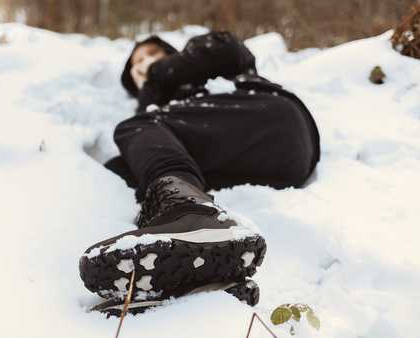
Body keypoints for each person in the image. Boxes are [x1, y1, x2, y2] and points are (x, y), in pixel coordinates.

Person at [78, 31, 320, 313]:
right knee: (126, 166)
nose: (145, 62)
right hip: (272, 167)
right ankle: (205, 281)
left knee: (135, 128)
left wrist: (160, 71)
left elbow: (228, 49)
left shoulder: (197, 65)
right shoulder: (162, 112)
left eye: (153, 53)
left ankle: (190, 214)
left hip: (270, 119)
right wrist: (150, 91)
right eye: (137, 62)